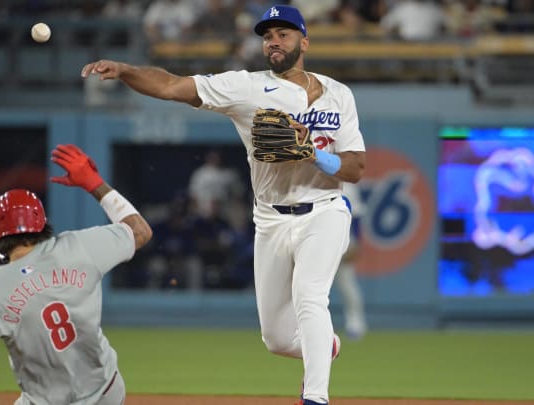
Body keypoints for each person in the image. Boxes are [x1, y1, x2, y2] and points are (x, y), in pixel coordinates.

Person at [81, 4, 366, 404]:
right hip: (270, 219)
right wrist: (127, 71)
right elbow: (170, 86)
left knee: (310, 296)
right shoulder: (246, 87)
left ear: (304, 41)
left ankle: (315, 397)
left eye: (282, 34)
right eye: (267, 36)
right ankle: (325, 346)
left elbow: (355, 168)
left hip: (324, 209)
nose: (273, 41)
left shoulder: (339, 94)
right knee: (277, 338)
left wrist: (313, 154)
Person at [0, 144, 152, 405]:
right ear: (41, 223)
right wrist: (95, 184)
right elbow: (141, 232)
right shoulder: (82, 248)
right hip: (108, 392)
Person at [335, 182, 368, 340]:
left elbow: (356, 217)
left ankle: (355, 323)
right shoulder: (313, 177)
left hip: (344, 241)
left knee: (347, 285)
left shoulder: (348, 186)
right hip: (318, 240)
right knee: (310, 287)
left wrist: (356, 243)